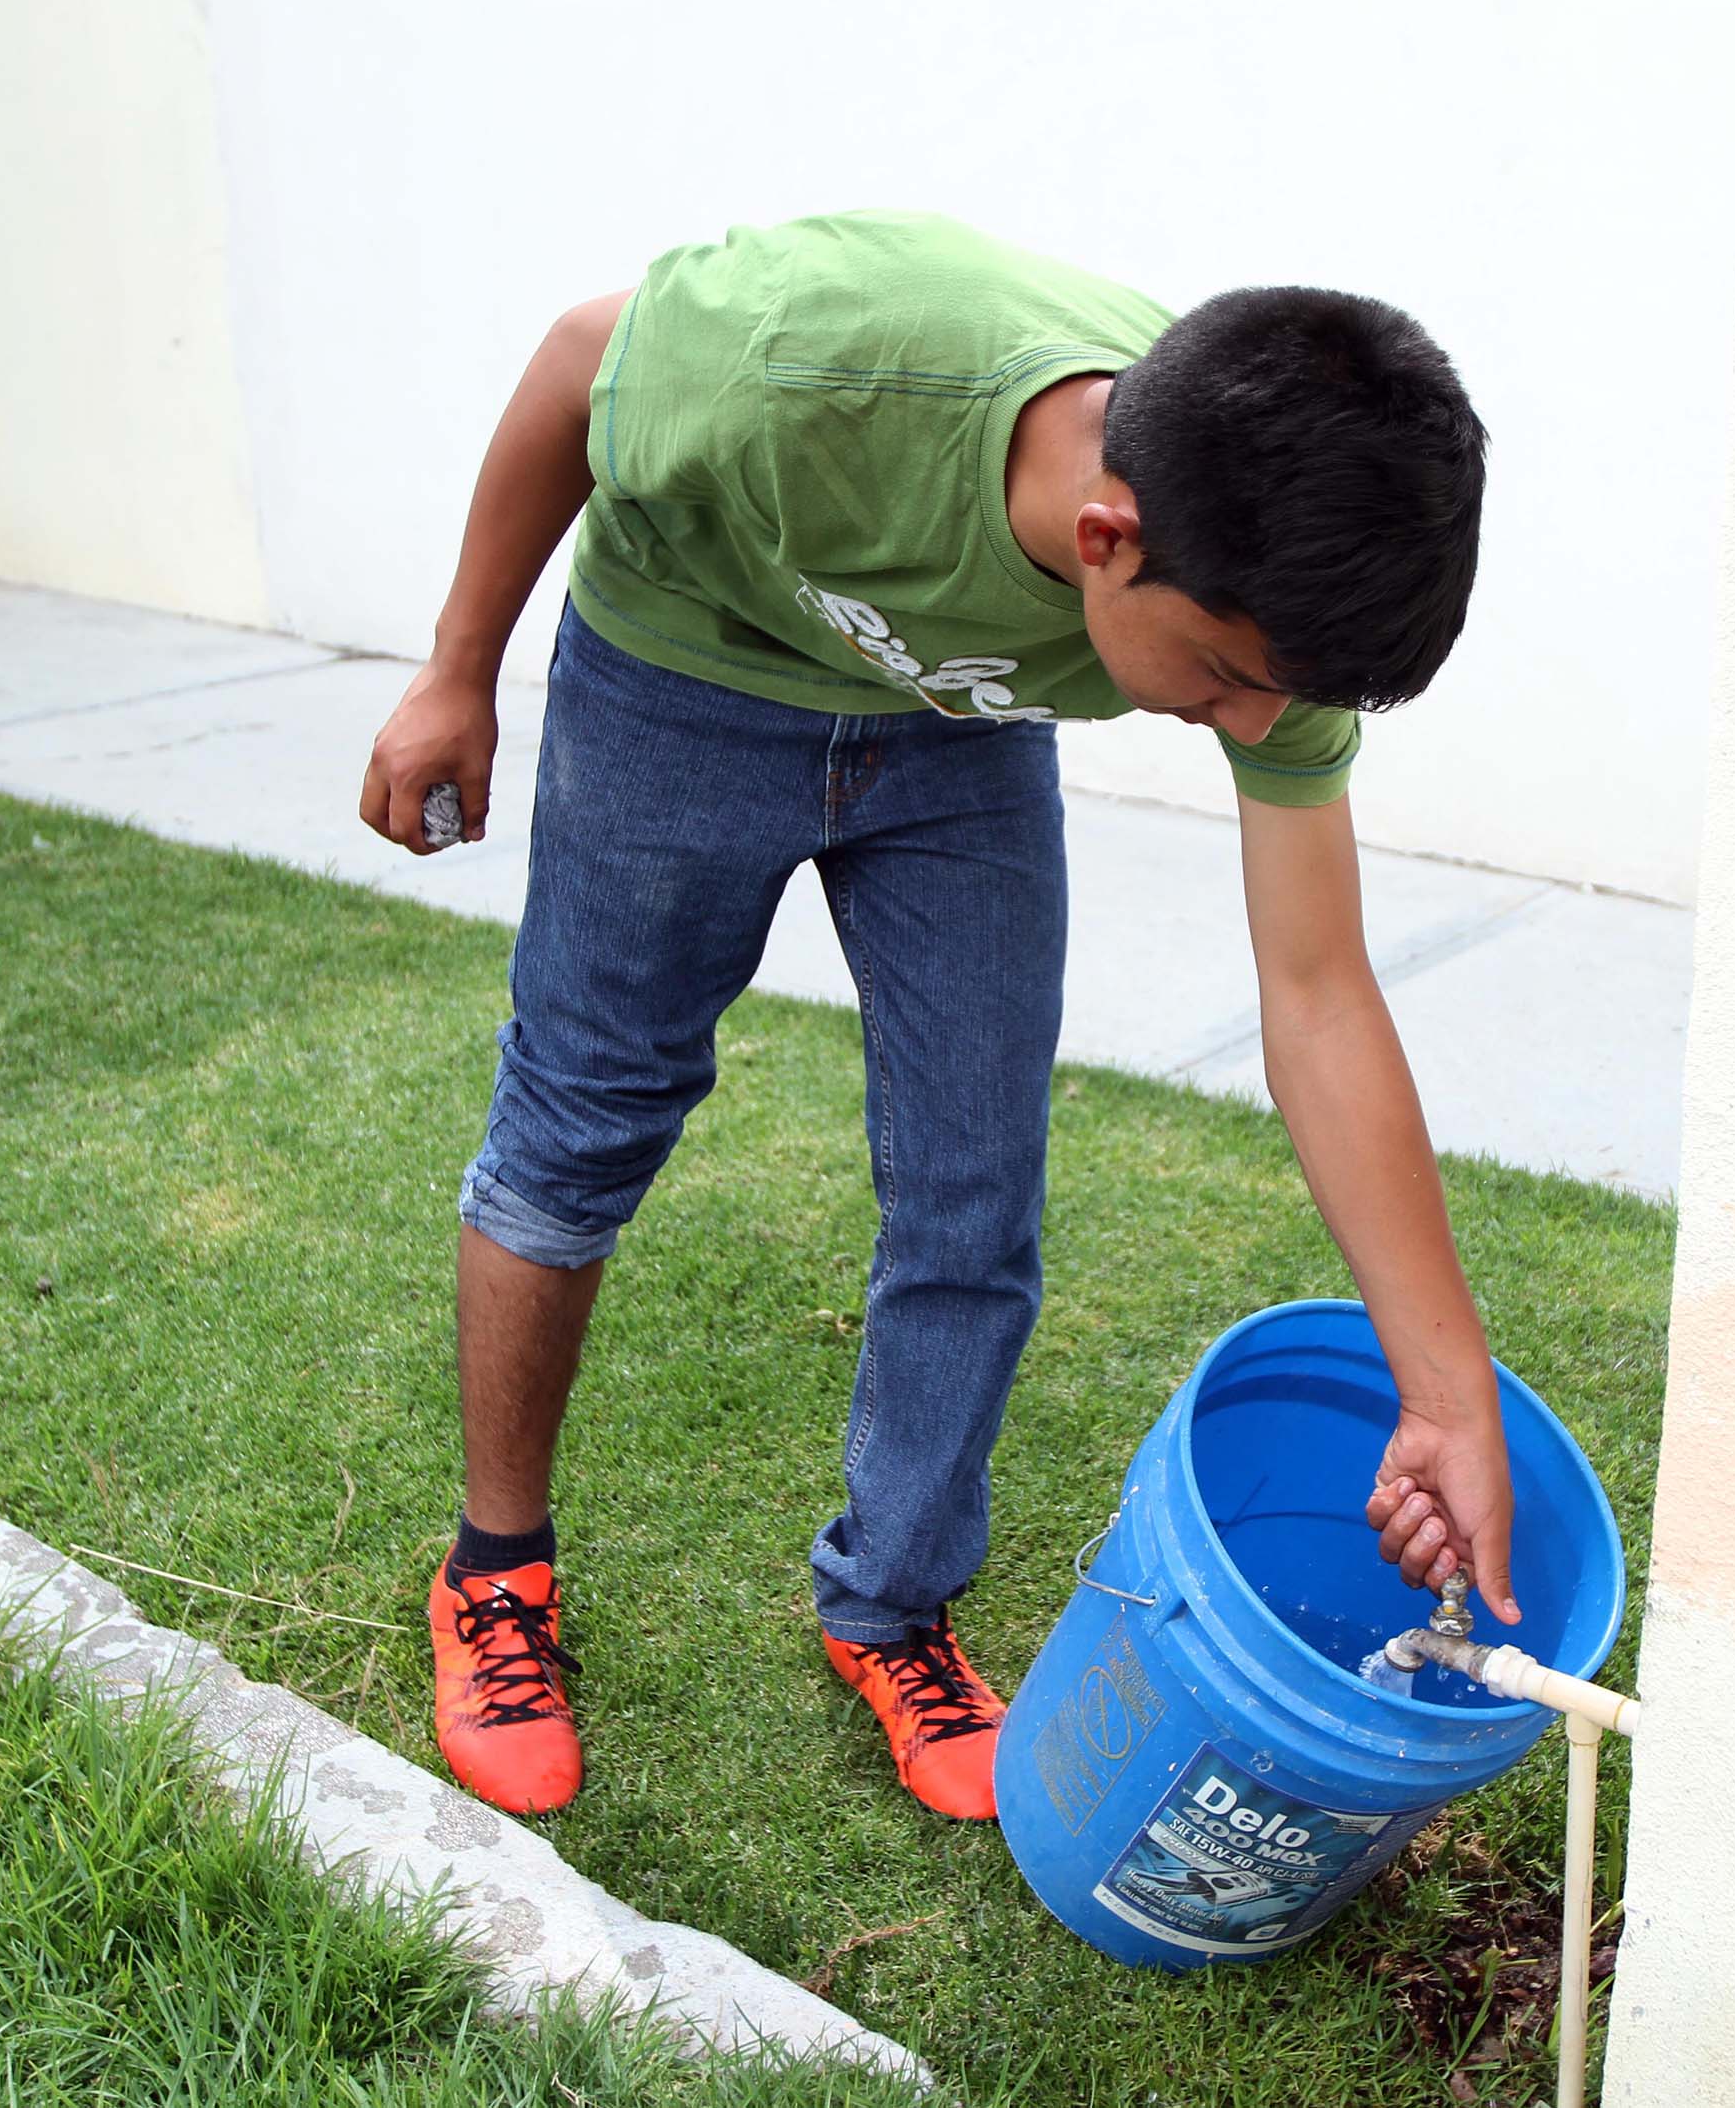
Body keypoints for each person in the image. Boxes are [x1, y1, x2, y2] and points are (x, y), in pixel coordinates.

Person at [360, 211, 1517, 1823]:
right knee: (580, 1122)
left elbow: (1319, 991)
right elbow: (572, 368)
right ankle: (495, 1576)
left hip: (955, 732)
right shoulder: (817, 358)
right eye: (1226, 681)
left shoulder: (1267, 584)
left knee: (975, 1182)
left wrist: (1446, 1389)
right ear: (1107, 535)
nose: (1257, 726)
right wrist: (456, 668)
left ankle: (893, 1605)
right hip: (687, 663)